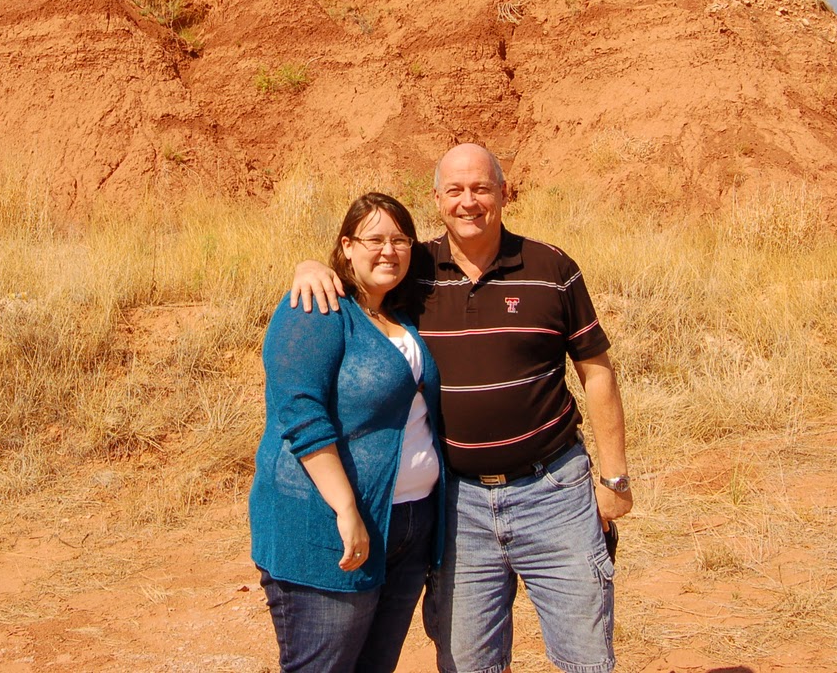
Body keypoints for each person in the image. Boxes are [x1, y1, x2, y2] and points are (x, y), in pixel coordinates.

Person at [290, 144, 631, 673]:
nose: (468, 202)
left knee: (586, 657)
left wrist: (614, 481)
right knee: (468, 662)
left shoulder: (551, 267)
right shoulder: (413, 269)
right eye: (455, 190)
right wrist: (310, 264)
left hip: (554, 493)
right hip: (457, 505)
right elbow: (360, 274)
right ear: (437, 199)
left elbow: (597, 374)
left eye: (480, 188)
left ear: (503, 193)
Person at [250, 192, 446, 673]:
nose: (389, 251)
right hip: (330, 526)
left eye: (401, 240)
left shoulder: (401, 314)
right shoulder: (316, 307)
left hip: (409, 525)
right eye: (374, 239)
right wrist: (345, 508)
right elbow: (299, 412)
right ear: (347, 245)